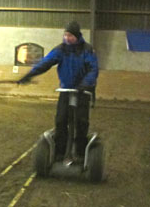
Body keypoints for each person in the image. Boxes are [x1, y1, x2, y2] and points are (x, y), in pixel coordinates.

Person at [18, 21, 99, 162]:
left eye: (70, 36)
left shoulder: (87, 50)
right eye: (65, 35)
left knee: (81, 121)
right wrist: (29, 75)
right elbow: (46, 63)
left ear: (77, 36)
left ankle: (80, 152)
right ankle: (60, 152)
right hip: (66, 91)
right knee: (61, 120)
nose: (67, 38)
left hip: (82, 92)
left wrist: (85, 85)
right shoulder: (61, 49)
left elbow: (93, 69)